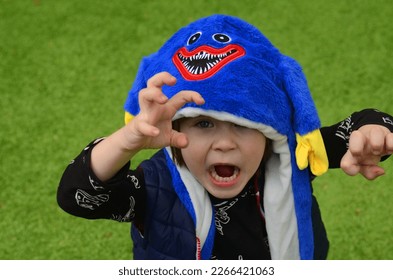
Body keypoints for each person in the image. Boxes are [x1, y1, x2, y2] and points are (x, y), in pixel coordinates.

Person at [57, 14, 393, 260]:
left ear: (271, 132)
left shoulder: (295, 156)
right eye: (203, 124)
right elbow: (78, 195)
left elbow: (362, 126)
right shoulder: (155, 185)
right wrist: (127, 140)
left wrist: (373, 133)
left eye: (245, 125)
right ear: (176, 128)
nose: (225, 143)